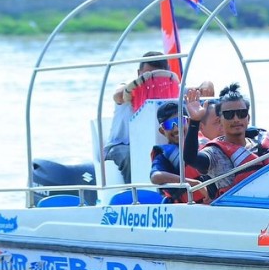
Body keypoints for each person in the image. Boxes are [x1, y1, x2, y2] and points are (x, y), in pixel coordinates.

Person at [103, 52, 170, 183]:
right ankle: (135, 192)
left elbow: (201, 89)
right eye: (148, 75)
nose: (152, 80)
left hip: (154, 145)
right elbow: (118, 95)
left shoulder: (172, 90)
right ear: (139, 73)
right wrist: (137, 89)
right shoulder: (127, 87)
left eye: (157, 76)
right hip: (121, 145)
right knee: (129, 156)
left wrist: (206, 86)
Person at [183, 84, 260, 196]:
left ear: (248, 118)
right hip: (231, 205)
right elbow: (191, 158)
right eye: (229, 115)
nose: (236, 119)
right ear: (220, 121)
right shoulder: (214, 153)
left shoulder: (262, 145)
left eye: (241, 113)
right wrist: (195, 121)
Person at [150, 101, 209, 203]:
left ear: (188, 121)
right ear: (162, 131)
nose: (176, 129)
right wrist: (193, 183)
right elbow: (155, 176)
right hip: (191, 207)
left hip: (218, 202)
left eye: (180, 121)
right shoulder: (163, 155)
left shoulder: (206, 142)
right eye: (168, 125)